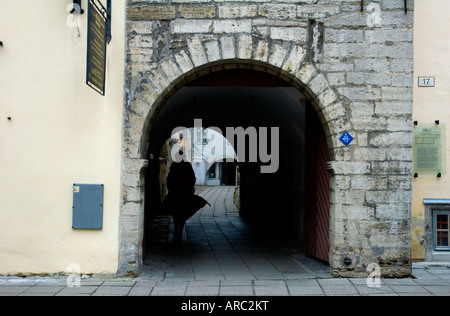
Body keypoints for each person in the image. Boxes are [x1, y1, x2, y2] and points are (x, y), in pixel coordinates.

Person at [166, 149, 196, 242]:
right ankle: (178, 231)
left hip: (180, 193)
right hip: (181, 193)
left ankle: (178, 231)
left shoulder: (177, 165)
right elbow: (192, 178)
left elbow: (169, 179)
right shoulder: (184, 165)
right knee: (179, 213)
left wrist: (171, 189)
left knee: (179, 213)